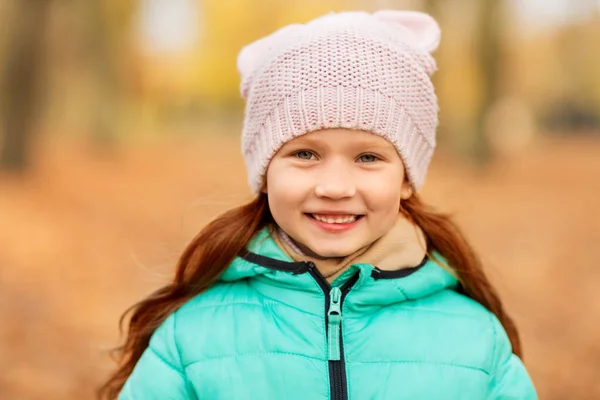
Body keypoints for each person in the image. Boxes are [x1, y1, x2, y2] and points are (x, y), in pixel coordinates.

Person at [100, 9, 538, 400]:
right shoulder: (191, 337)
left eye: (368, 157)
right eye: (305, 154)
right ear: (265, 173)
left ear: (406, 179)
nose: (334, 186)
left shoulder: (475, 340)